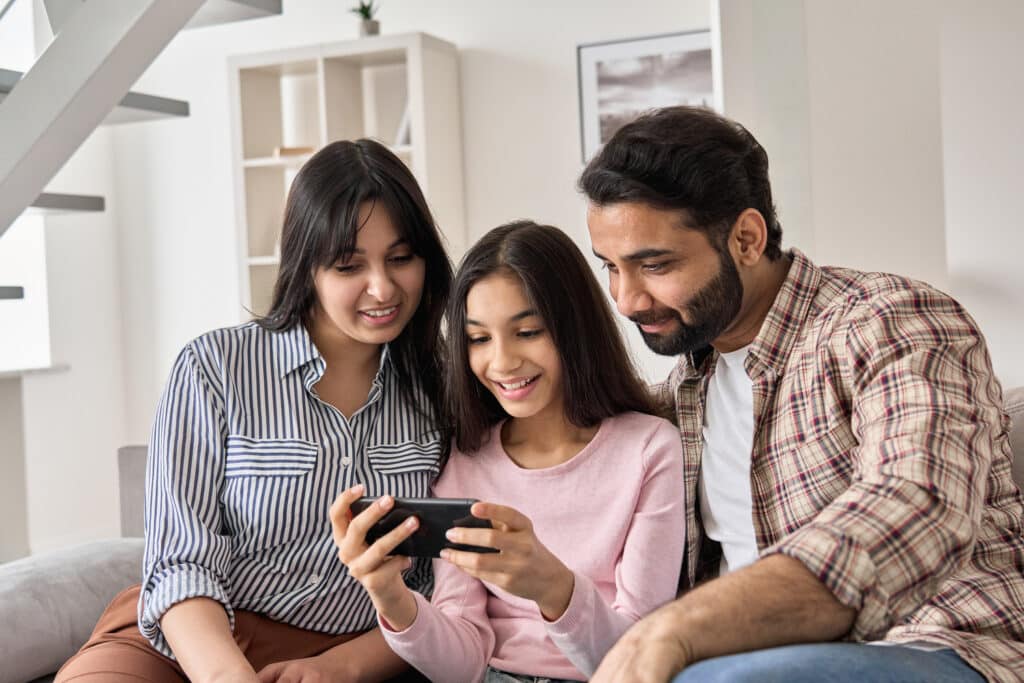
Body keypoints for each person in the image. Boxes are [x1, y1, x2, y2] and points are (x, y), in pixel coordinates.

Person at [579, 105, 1024, 683]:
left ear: (745, 237)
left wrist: (679, 627)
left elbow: (916, 506)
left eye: (654, 265)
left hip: (942, 646)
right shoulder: (686, 390)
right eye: (610, 268)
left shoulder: (889, 320)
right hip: (747, 662)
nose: (627, 299)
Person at [56, 139, 453, 682]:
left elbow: (447, 590)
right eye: (348, 265)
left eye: (401, 258)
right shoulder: (212, 368)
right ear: (305, 266)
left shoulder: (449, 389)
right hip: (195, 640)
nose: (382, 287)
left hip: (356, 655)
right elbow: (179, 561)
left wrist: (345, 667)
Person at [330, 220, 686, 683]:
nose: (501, 362)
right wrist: (388, 594)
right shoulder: (467, 461)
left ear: (573, 328)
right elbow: (462, 664)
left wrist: (552, 587)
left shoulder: (649, 450)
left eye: (528, 331)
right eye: (479, 339)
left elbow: (641, 660)